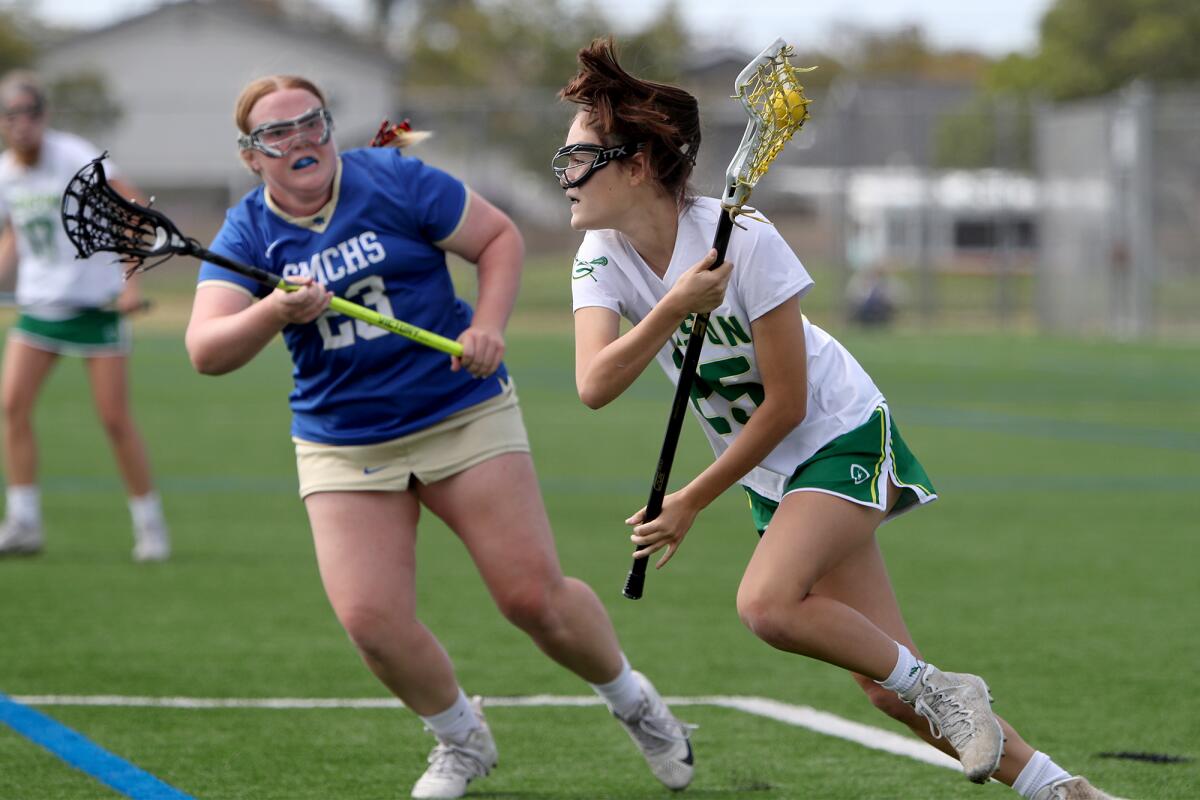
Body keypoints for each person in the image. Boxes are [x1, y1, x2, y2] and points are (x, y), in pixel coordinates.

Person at [555, 38, 1115, 800]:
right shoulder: (598, 256)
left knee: (767, 603)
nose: (566, 179)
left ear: (638, 165)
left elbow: (787, 404)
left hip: (837, 431)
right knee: (888, 687)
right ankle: (1059, 789)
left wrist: (691, 499)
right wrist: (674, 306)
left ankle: (946, 688)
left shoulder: (746, 241)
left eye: (579, 160)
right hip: (771, 467)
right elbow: (594, 383)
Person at [184, 74, 694, 800]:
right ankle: (461, 738)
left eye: (312, 122)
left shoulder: (392, 178)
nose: (301, 139)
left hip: (459, 410)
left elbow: (498, 239)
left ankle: (631, 699)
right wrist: (274, 312)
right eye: (278, 133)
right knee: (370, 621)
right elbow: (206, 350)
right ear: (251, 156)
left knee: (531, 598)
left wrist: (487, 326)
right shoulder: (249, 231)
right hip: (344, 439)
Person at [0, 70, 169, 562]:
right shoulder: (7, 173)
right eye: (9, 116)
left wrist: (131, 282)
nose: (19, 125)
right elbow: (15, 232)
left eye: (28, 114)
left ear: (43, 116)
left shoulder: (75, 157)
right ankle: (24, 522)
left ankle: (150, 526)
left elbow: (134, 210)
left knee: (114, 420)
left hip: (94, 308)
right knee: (11, 407)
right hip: (39, 308)